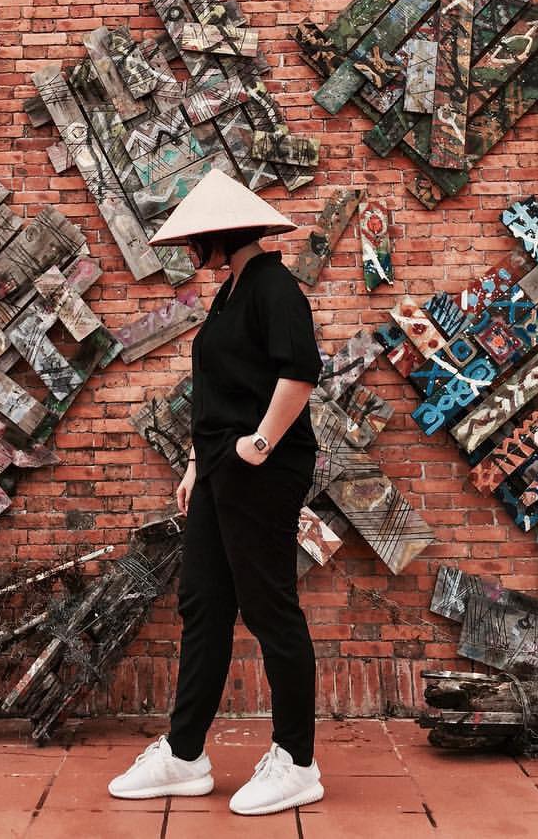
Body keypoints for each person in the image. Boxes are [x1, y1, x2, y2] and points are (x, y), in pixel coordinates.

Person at [108, 168, 324, 817]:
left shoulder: (273, 285)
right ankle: (184, 754)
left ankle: (298, 761)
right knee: (203, 602)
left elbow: (301, 369)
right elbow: (227, 388)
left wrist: (258, 443)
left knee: (269, 607)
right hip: (220, 470)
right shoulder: (232, 293)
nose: (187, 252)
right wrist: (200, 464)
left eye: (194, 239)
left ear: (222, 234)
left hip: (261, 469)